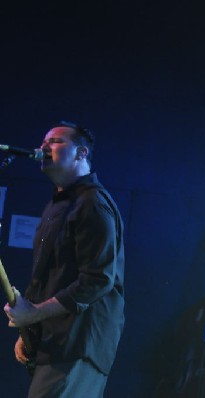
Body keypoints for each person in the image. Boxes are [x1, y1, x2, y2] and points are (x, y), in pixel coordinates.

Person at [3, 121, 125, 397]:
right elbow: (49, 277)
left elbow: (97, 280)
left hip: (79, 342)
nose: (44, 146)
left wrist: (34, 313)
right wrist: (30, 329)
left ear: (81, 153)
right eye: (44, 141)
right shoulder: (56, 206)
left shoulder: (92, 203)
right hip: (55, 342)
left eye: (56, 141)